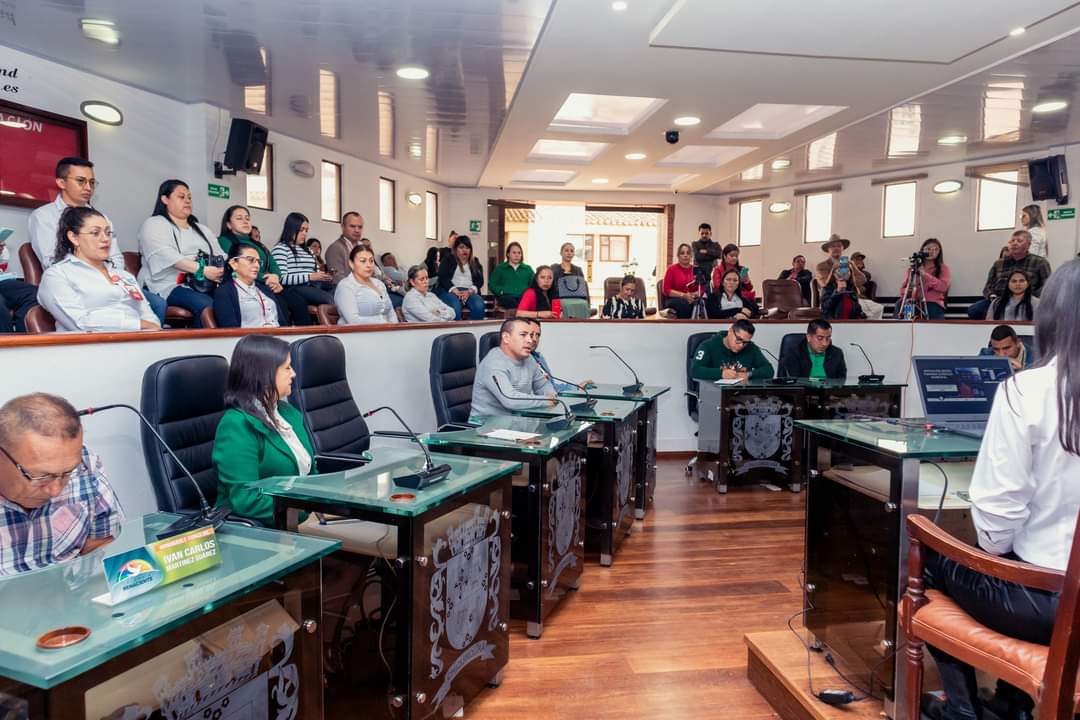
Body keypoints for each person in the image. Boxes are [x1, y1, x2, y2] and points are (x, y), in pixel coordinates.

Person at [920, 259, 1080, 720]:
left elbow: (995, 532)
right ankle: (1012, 702)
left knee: (934, 558)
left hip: (1049, 603)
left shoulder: (1025, 392)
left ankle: (963, 711)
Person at [0, 393, 124, 575]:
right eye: (42, 476)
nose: (55, 490)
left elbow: (102, 551)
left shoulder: (86, 465)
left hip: (74, 598)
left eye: (67, 473)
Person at [211, 335, 316, 526]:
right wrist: (303, 513)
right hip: (262, 529)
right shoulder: (236, 425)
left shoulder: (287, 413)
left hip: (300, 516)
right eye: (287, 368)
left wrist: (324, 503)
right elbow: (247, 500)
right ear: (264, 373)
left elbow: (312, 471)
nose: (293, 374)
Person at [38, 207, 160, 332]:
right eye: (95, 233)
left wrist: (149, 328)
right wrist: (138, 325)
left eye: (108, 233)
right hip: (89, 347)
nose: (105, 239)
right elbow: (80, 323)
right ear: (74, 238)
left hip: (139, 343)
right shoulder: (57, 275)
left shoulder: (124, 276)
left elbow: (149, 317)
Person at [136, 180, 224, 327]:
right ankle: (204, 348)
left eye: (189, 197)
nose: (187, 201)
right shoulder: (153, 224)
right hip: (168, 285)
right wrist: (202, 270)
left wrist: (222, 271)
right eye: (181, 197)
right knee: (206, 304)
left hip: (206, 283)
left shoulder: (202, 229)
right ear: (165, 199)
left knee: (229, 300)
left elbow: (221, 255)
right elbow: (167, 256)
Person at [28, 157, 124, 270]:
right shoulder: (43, 216)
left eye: (92, 182)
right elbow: (52, 261)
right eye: (80, 181)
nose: (88, 188)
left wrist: (104, 277)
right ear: (61, 183)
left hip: (105, 280)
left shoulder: (102, 219)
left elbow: (116, 259)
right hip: (66, 282)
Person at [219, 204, 307, 325]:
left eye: (247, 218)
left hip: (268, 283)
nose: (245, 221)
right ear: (228, 224)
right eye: (239, 218)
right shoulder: (224, 241)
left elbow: (274, 265)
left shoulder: (258, 244)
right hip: (250, 283)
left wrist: (275, 277)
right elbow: (241, 267)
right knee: (280, 306)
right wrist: (267, 279)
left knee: (297, 302)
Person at [471, 318, 557, 418]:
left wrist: (552, 396)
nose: (530, 340)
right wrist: (546, 401)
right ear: (506, 338)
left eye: (531, 335)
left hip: (518, 422)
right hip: (487, 427)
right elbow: (510, 400)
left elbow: (542, 385)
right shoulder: (494, 363)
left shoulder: (529, 359)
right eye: (523, 335)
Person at [968, 230, 1051, 319]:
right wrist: (992, 297)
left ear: (1028, 245)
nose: (1014, 243)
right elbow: (988, 286)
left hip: (1028, 300)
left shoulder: (1040, 262)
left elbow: (1048, 286)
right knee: (975, 310)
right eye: (1012, 241)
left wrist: (1031, 297)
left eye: (1019, 241)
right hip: (1000, 300)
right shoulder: (998, 264)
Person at [270, 212, 335, 310]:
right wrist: (309, 277)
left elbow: (316, 272)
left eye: (306, 230)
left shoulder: (308, 250)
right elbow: (281, 278)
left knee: (340, 291)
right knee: (330, 300)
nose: (304, 233)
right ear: (291, 229)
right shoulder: (281, 249)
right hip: (295, 288)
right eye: (301, 230)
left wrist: (323, 277)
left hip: (313, 285)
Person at [213, 244, 283, 328]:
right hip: (250, 339)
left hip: (279, 336)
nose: (257, 265)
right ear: (234, 264)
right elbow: (230, 330)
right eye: (250, 260)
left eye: (258, 261)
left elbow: (283, 324)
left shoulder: (265, 289)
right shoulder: (224, 292)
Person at [690, 319, 775, 382]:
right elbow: (694, 370)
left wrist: (749, 374)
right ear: (730, 331)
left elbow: (769, 370)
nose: (741, 345)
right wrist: (721, 374)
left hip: (743, 396)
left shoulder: (751, 348)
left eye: (745, 342)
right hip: (714, 395)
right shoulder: (708, 346)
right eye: (738, 339)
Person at [334, 245, 397, 325]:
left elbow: (391, 313)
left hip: (386, 333)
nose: (369, 265)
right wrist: (385, 323)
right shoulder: (345, 286)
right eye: (363, 261)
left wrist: (393, 328)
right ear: (351, 264)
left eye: (371, 261)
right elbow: (354, 321)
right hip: (357, 334)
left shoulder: (379, 284)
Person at [524, 318, 591, 392]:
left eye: (538, 335)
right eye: (531, 334)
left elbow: (552, 387)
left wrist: (578, 387)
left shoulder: (539, 358)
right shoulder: (518, 361)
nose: (534, 339)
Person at [897, 238, 951, 319]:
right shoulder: (912, 269)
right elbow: (902, 290)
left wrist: (924, 274)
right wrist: (909, 291)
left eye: (936, 249)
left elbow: (943, 287)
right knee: (902, 307)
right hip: (912, 302)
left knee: (931, 312)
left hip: (932, 303)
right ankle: (903, 329)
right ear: (922, 250)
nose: (932, 251)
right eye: (928, 249)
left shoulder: (943, 268)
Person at [435, 235, 486, 320]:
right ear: (455, 249)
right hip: (449, 290)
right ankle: (458, 332)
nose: (464, 250)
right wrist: (454, 290)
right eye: (461, 247)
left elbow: (480, 280)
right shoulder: (448, 259)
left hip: (469, 291)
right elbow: (442, 277)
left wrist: (470, 291)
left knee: (479, 305)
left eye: (467, 248)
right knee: (455, 306)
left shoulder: (475, 261)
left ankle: (473, 331)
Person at [779, 319, 846, 379]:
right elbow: (793, 382)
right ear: (808, 337)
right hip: (804, 392)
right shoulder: (794, 353)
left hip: (829, 392)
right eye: (820, 338)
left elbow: (841, 381)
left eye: (828, 338)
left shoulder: (837, 353)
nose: (825, 343)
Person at [0, 234, 39, 334]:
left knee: (36, 294)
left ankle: (22, 337)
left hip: (2, 281)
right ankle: (7, 344)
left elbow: (4, 262)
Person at [488, 242, 533, 309]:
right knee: (511, 303)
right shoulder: (500, 268)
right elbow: (492, 284)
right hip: (506, 297)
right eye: (514, 253)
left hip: (523, 297)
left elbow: (534, 284)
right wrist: (501, 291)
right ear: (508, 254)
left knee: (525, 303)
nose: (517, 255)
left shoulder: (528, 269)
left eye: (519, 253)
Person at [551, 242, 590, 319]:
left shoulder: (578, 270)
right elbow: (552, 288)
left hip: (577, 300)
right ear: (561, 253)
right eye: (566, 250)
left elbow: (583, 288)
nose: (569, 253)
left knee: (584, 304)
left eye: (571, 251)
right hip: (558, 299)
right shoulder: (554, 268)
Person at [325, 211, 365, 284]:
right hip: (349, 292)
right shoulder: (335, 248)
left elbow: (373, 273)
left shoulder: (363, 248)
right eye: (352, 226)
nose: (357, 230)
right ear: (343, 227)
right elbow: (338, 279)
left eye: (360, 227)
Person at [662, 243, 699, 319]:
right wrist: (684, 295)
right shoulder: (671, 269)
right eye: (682, 253)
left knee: (705, 303)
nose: (685, 255)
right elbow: (666, 290)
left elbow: (702, 288)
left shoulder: (696, 269)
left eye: (688, 253)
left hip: (692, 298)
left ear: (691, 256)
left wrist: (694, 295)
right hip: (674, 299)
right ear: (678, 256)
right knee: (683, 305)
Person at [691, 223, 722, 293]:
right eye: (702, 233)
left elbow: (720, 254)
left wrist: (706, 251)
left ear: (710, 233)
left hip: (713, 276)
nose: (704, 235)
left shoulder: (715, 244)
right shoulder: (695, 244)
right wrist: (712, 255)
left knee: (712, 298)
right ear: (699, 233)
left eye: (706, 233)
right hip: (699, 277)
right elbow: (697, 256)